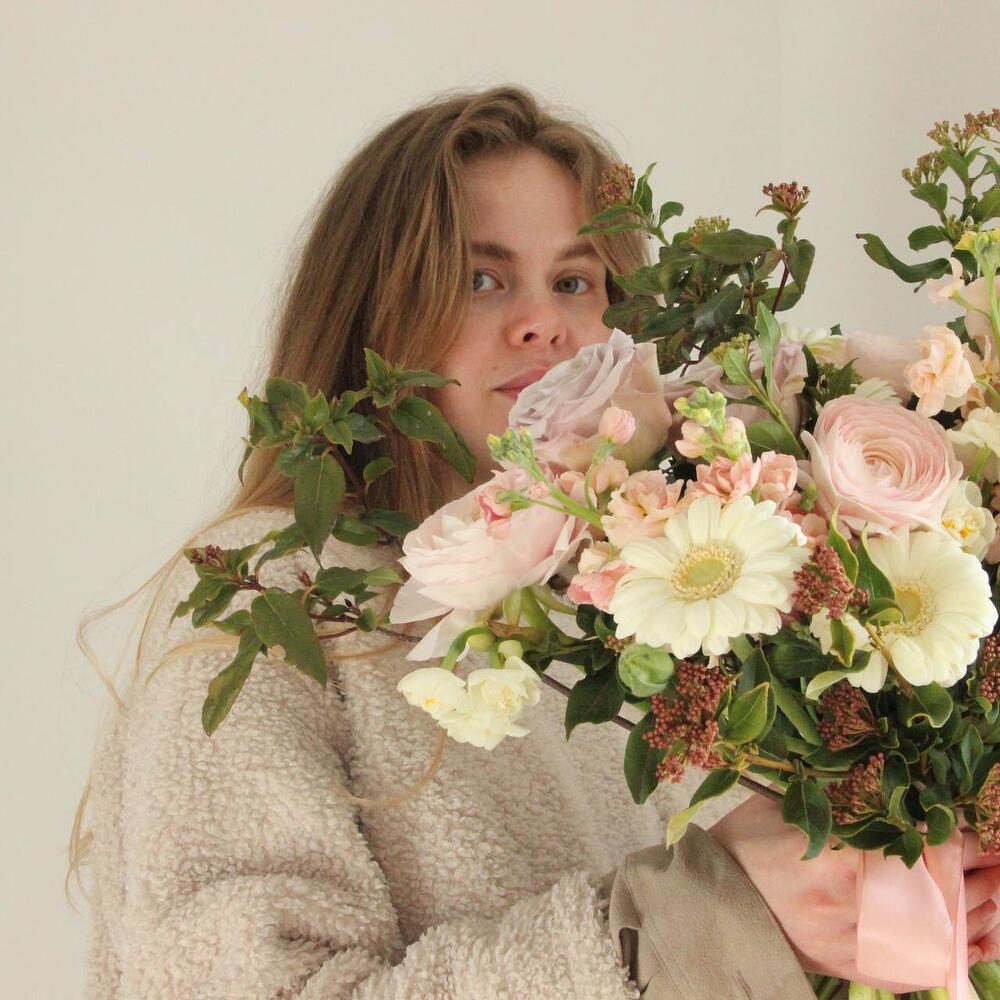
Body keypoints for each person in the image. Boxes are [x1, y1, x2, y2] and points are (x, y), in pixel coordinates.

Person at [69, 84, 1000, 1000]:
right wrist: (688, 920)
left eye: (573, 282)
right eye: (480, 279)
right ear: (368, 319)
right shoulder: (279, 599)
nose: (542, 322)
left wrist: (873, 913)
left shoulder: (629, 604)